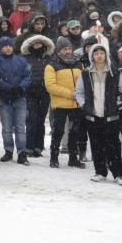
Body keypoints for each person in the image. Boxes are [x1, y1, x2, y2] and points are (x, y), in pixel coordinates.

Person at [73, 44, 122, 183]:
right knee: (96, 145)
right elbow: (79, 92)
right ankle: (100, 172)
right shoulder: (86, 74)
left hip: (111, 115)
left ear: (106, 55)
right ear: (92, 57)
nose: (99, 56)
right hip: (93, 115)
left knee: (113, 145)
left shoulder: (115, 73)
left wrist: (118, 103)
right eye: (96, 54)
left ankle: (119, 174)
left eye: (102, 53)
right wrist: (84, 105)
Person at [45, 37, 85, 169]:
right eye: (64, 49)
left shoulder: (79, 64)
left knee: (75, 132)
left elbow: (84, 82)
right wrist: (70, 94)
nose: (68, 51)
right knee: (58, 132)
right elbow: (50, 86)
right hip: (60, 105)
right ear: (59, 51)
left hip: (76, 105)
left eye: (69, 48)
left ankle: (73, 158)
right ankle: (54, 158)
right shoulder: (52, 65)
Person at [0, 36, 32, 165]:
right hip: (5, 99)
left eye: (10, 45)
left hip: (20, 98)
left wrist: (21, 87)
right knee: (6, 127)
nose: (8, 48)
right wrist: (8, 88)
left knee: (21, 127)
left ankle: (22, 153)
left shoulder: (21, 61)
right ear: (0, 48)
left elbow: (28, 76)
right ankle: (8, 150)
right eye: (5, 46)